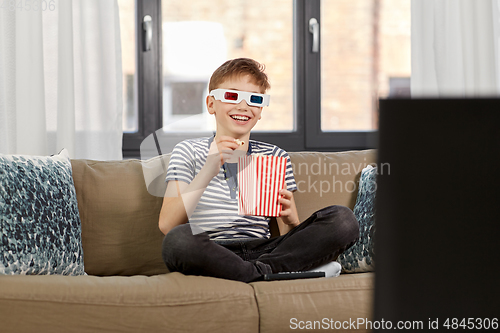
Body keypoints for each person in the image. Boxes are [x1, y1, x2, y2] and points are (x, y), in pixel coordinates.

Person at [159, 58, 359, 283]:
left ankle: (255, 272)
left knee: (343, 219)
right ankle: (267, 274)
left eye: (254, 99)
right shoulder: (188, 151)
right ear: (211, 104)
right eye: (232, 96)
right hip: (213, 250)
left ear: (261, 110)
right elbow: (167, 224)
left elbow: (288, 238)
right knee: (178, 240)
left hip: (267, 252)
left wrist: (292, 221)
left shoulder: (274, 156)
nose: (243, 107)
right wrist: (207, 170)